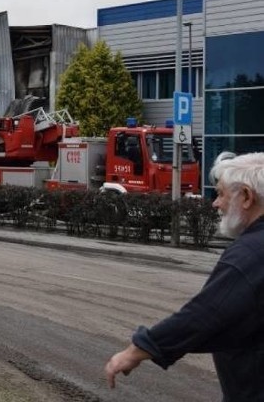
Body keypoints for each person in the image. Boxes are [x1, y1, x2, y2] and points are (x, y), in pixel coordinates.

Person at [104, 151, 264, 400]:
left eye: (221, 194)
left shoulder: (251, 254)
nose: (215, 203)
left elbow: (207, 314)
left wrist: (137, 350)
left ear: (246, 197)